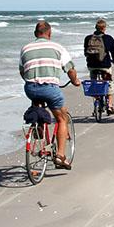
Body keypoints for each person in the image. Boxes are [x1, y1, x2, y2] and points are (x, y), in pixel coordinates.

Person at [20, 20, 82, 169]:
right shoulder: (57, 48)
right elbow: (70, 69)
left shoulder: (25, 48)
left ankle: (39, 128)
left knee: (37, 101)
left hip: (30, 88)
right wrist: (75, 81)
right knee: (61, 118)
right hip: (50, 89)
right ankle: (60, 155)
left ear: (35, 34)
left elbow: (22, 71)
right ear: (50, 33)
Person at [83, 18, 114, 115]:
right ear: (104, 28)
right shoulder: (108, 38)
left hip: (92, 66)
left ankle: (96, 106)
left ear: (95, 27)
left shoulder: (88, 38)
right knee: (109, 83)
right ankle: (110, 105)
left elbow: (85, 52)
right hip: (105, 66)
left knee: (94, 83)